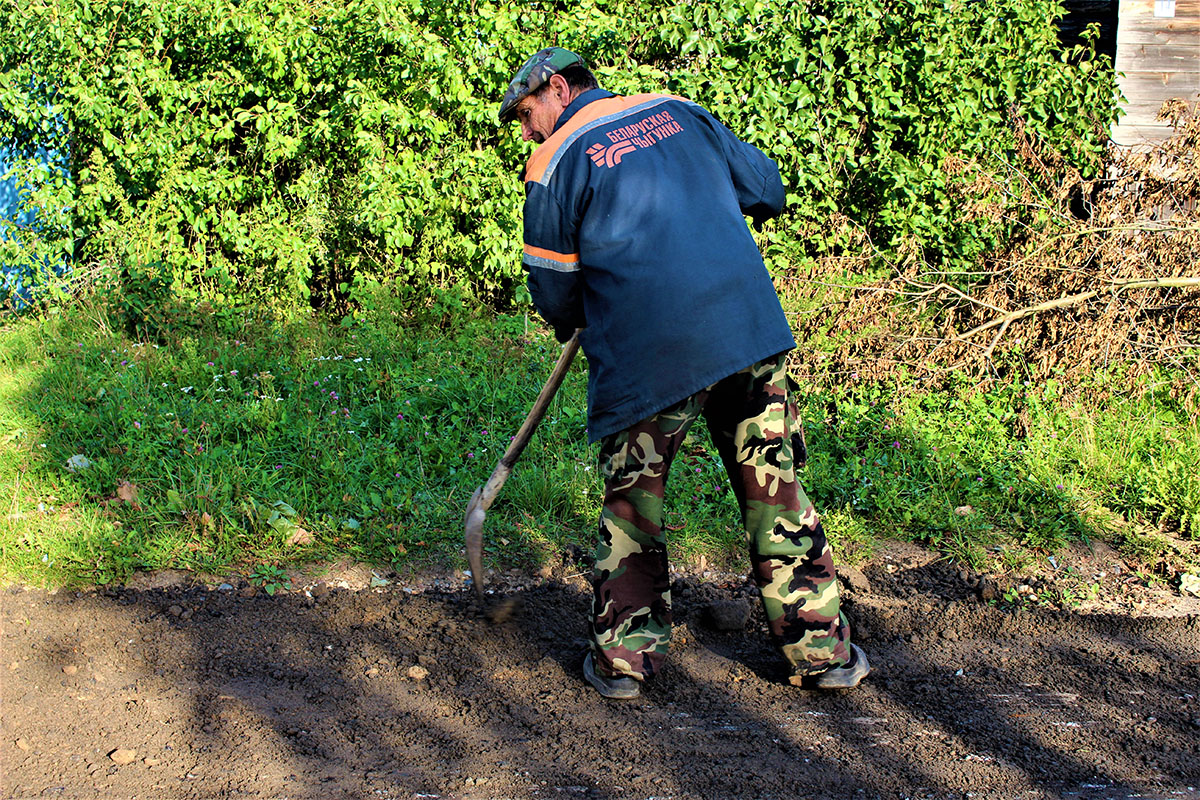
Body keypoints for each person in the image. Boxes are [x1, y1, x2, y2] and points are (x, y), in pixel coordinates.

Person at [498, 47, 870, 699]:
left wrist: (582, 309)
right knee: (773, 487)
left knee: (634, 506)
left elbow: (554, 292)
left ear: (559, 89)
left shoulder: (554, 161)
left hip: (648, 349)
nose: (527, 131)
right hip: (745, 331)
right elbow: (767, 189)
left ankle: (625, 664)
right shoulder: (680, 112)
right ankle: (822, 655)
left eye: (527, 114)